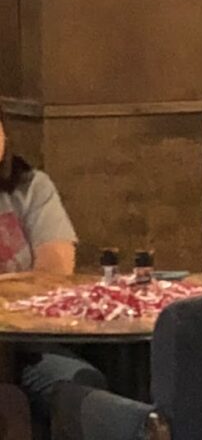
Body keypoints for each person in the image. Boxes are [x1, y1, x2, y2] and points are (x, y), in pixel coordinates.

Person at [0, 108, 107, 438]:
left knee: (85, 388)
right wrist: (20, 285)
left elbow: (55, 273)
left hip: (29, 346)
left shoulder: (31, 187)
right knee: (10, 406)